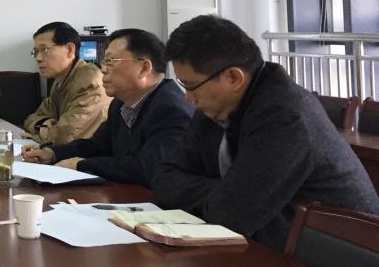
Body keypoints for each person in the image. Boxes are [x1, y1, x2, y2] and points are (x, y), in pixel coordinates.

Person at [154, 14, 379, 251]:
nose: (188, 98)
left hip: (343, 258)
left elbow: (230, 215)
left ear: (233, 77)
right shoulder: (214, 105)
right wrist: (226, 189)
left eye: (191, 86)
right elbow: (163, 179)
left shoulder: (285, 115)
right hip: (271, 244)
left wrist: (226, 195)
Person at [21, 28, 192, 186]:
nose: (102, 69)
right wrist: (51, 153)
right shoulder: (120, 104)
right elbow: (96, 146)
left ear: (144, 68)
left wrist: (81, 165)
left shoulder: (171, 109)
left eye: (111, 61)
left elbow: (146, 168)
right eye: (104, 61)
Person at [21, 21, 108, 145]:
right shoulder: (60, 81)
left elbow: (65, 137)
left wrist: (36, 134)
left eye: (45, 49)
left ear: (70, 50)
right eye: (35, 52)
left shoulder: (90, 82)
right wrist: (42, 123)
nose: (38, 58)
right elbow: (32, 118)